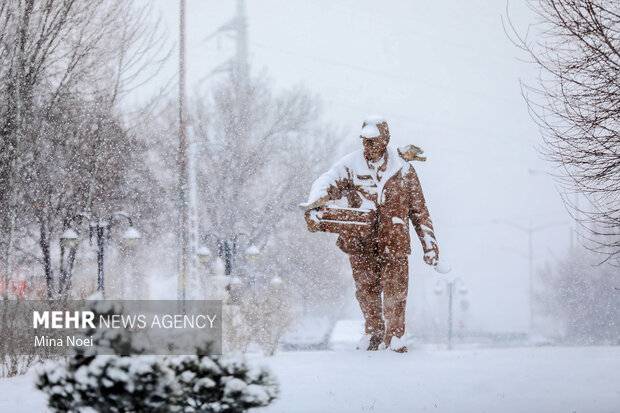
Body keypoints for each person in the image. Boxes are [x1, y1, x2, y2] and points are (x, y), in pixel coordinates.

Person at [300, 116, 439, 353]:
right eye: (365, 141)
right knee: (366, 291)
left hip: (394, 242)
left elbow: (419, 211)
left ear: (385, 140)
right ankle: (373, 333)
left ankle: (394, 338)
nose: (368, 146)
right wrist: (315, 202)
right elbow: (327, 181)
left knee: (396, 293)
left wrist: (430, 246)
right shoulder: (351, 165)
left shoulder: (404, 170)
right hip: (360, 242)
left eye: (373, 141)